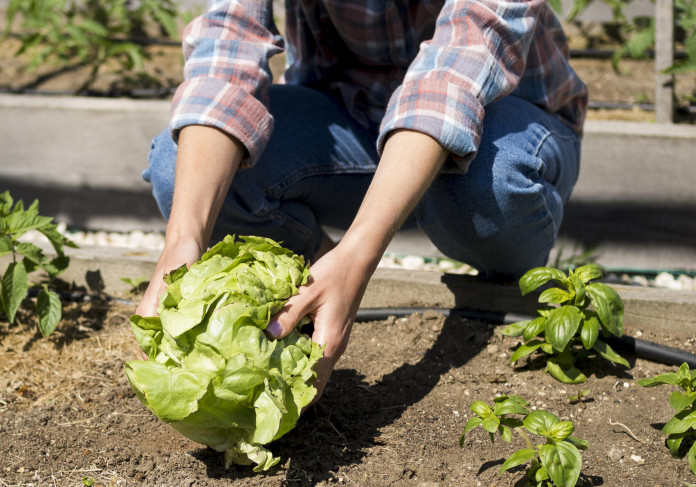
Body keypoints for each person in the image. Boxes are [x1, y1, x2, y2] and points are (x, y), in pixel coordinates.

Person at [136, 0, 587, 400]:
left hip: (501, 123)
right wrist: (182, 239)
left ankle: (506, 297)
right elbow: (227, 45)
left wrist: (359, 253)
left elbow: (456, 71)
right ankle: (315, 284)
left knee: (486, 181)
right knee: (179, 170)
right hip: (351, 116)